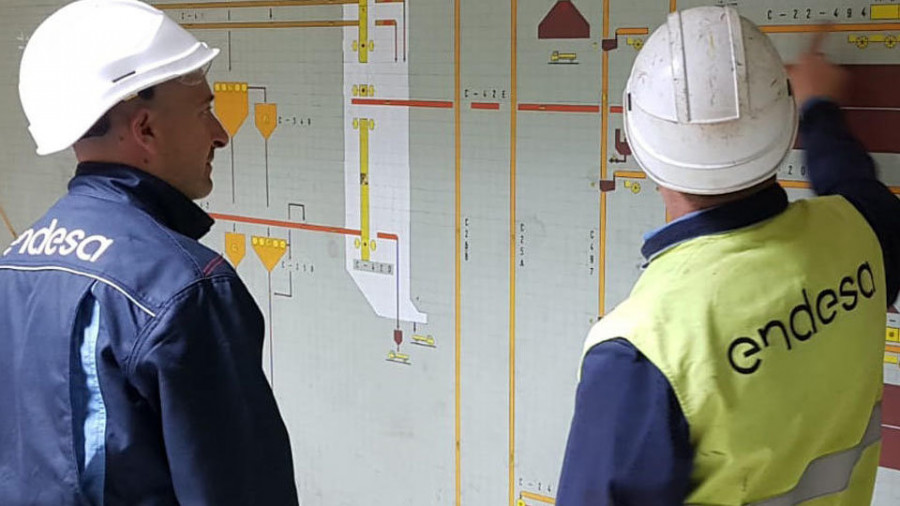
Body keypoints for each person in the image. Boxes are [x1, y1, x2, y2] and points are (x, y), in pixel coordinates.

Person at [557, 6, 900, 505]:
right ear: (783, 126)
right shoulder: (861, 233)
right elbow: (855, 184)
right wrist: (819, 109)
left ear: (638, 144)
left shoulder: (644, 349)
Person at [0, 1, 299, 504]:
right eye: (206, 112)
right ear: (145, 129)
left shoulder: (14, 264)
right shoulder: (184, 289)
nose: (221, 135)